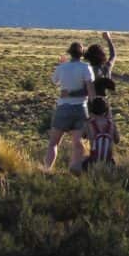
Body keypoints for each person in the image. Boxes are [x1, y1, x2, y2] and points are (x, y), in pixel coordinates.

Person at [45, 42, 95, 171]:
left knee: (53, 143)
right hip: (81, 108)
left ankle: (47, 169)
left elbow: (54, 81)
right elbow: (91, 92)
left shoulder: (62, 68)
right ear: (82, 54)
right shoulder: (86, 68)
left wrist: (61, 65)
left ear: (69, 53)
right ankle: (75, 168)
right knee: (78, 143)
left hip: (64, 107)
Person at [84, 97, 120, 167]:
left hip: (93, 161)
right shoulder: (112, 124)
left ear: (92, 110)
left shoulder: (89, 124)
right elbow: (117, 141)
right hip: (109, 162)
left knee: (80, 162)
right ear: (106, 110)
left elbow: (83, 136)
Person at [84, 31, 117, 97]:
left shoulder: (87, 69)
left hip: (90, 100)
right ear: (102, 55)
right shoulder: (107, 67)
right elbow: (113, 55)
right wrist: (109, 39)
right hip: (103, 101)